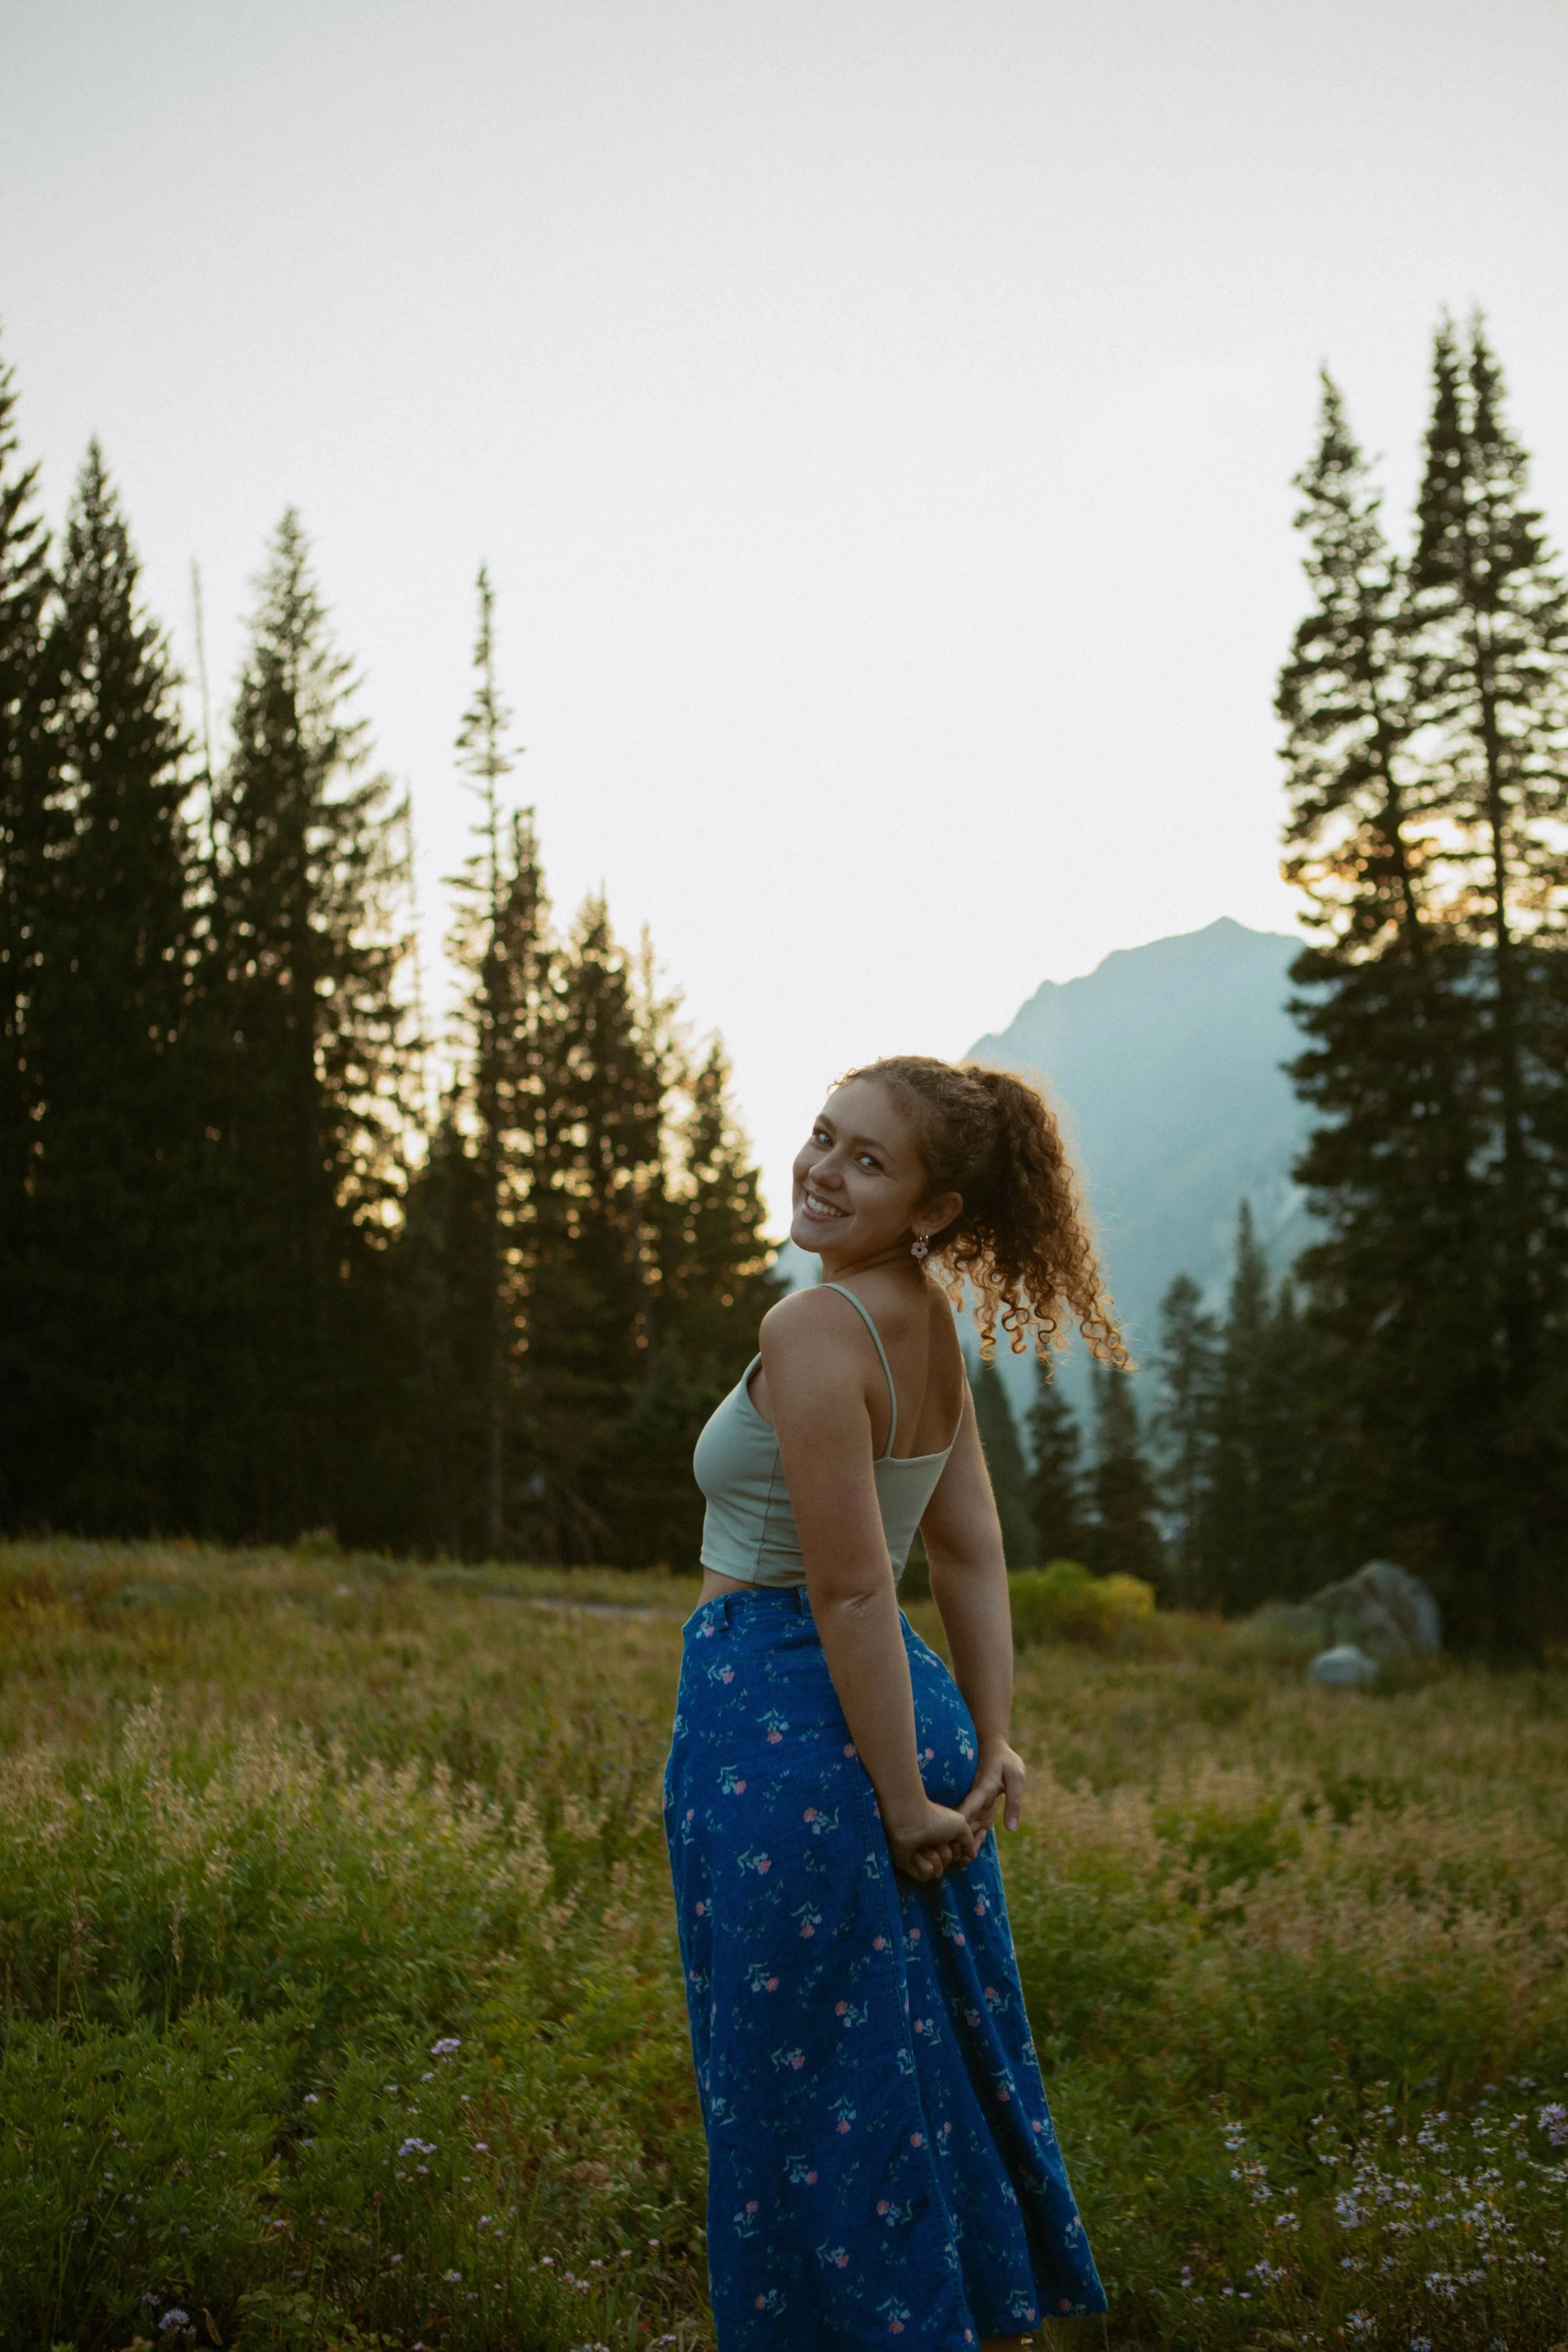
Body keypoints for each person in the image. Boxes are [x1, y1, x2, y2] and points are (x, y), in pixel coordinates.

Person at [664, 1056, 1125, 2350]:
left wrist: (914, 1798)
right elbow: (968, 1550)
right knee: (902, 2071)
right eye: (823, 1136)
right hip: (890, 1723)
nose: (821, 1169)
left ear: (932, 1210)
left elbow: (856, 1590)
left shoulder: (814, 1327)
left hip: (784, 1725)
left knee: (795, 2092)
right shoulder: (917, 1318)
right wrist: (982, 1741)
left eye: (868, 1161)